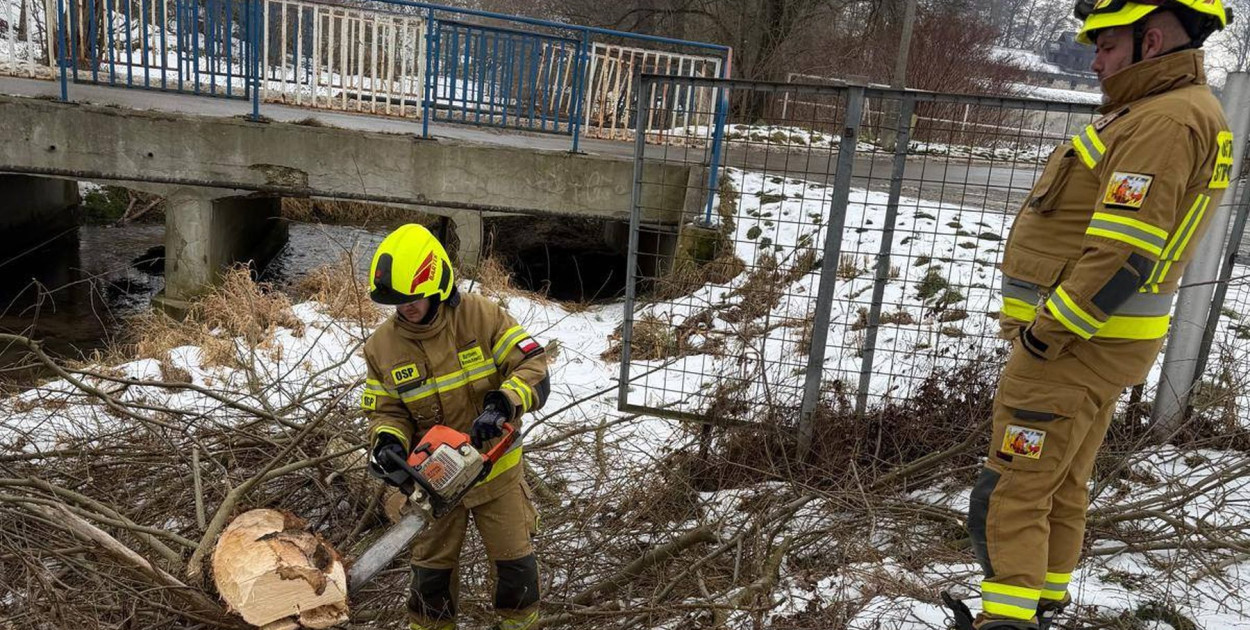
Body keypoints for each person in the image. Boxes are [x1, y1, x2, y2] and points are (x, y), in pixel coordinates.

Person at [947, 1, 1236, 629]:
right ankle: (1042, 605)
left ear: (1150, 40)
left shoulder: (1164, 121)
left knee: (1010, 492)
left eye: (1105, 46)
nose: (1097, 62)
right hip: (1096, 350)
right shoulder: (1164, 112)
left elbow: (1122, 253)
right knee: (1060, 486)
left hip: (1070, 350)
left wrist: (1046, 336)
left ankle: (1007, 620)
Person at [361, 224, 551, 630]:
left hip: (495, 475)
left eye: (412, 297)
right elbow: (386, 410)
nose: (406, 307)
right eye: (397, 301)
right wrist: (388, 441)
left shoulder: (481, 317)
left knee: (517, 575)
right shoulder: (382, 347)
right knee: (430, 585)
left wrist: (503, 403)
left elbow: (534, 366)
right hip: (432, 484)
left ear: (437, 284)